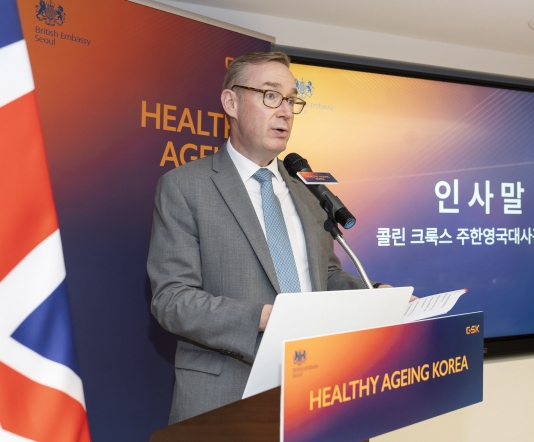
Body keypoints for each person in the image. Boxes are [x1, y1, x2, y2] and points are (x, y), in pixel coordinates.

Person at [147, 52, 393, 424]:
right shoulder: (185, 187)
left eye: (292, 99)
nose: (286, 111)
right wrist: (262, 318)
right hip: (227, 394)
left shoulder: (307, 191)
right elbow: (172, 300)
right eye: (270, 95)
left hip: (316, 386)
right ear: (231, 102)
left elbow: (324, 276)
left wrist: (371, 296)